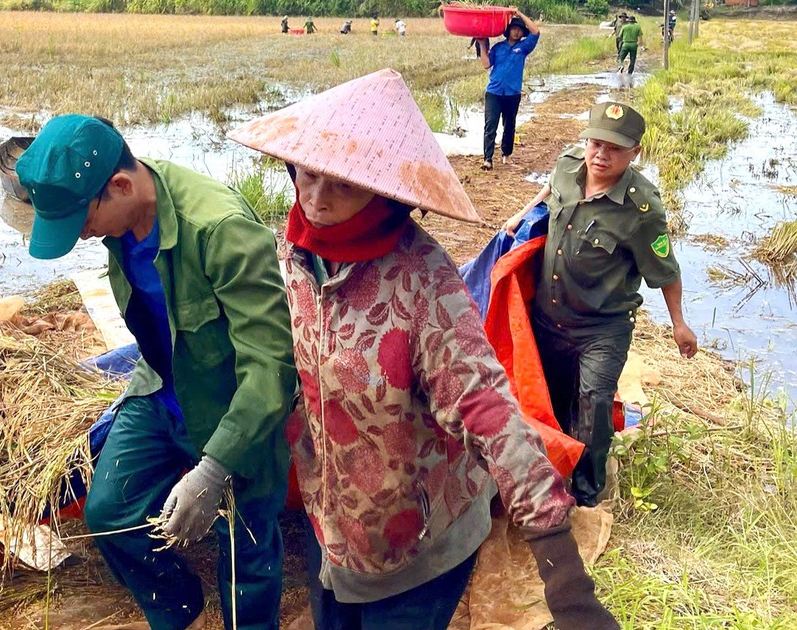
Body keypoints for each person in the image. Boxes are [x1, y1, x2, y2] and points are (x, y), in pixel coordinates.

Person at [228, 69, 618, 630]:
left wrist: (563, 574)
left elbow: (488, 408)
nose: (316, 199)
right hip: (330, 526)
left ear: (383, 191)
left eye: (342, 184)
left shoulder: (422, 282)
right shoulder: (292, 254)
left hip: (418, 542)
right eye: (308, 175)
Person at [14, 115, 297, 630]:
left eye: (81, 220)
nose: (80, 235)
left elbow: (273, 366)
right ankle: (180, 611)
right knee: (108, 513)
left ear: (120, 186)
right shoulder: (121, 222)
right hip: (160, 390)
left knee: (246, 549)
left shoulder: (219, 229)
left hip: (233, 407)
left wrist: (214, 469)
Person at [502, 102, 697, 507]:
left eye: (614, 148)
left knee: (593, 407)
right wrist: (521, 214)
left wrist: (679, 324)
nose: (600, 154)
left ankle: (587, 497)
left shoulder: (642, 210)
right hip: (549, 317)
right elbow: (550, 188)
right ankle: (551, 478)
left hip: (602, 329)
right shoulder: (568, 163)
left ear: (635, 153)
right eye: (595, 142)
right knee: (548, 401)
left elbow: (666, 270)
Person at [479, 8, 540, 170]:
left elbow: (535, 31)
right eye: (514, 28)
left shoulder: (524, 47)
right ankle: (488, 159)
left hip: (512, 94)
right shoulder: (498, 47)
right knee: (490, 125)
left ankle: (506, 155)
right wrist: (480, 44)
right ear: (508, 30)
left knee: (509, 125)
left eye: (520, 29)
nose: (517, 31)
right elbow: (486, 64)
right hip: (494, 92)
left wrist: (519, 14)